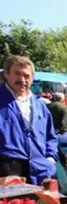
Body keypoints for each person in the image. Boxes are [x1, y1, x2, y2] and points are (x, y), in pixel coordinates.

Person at [0, 55, 59, 185]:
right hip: (8, 170)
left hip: (40, 170)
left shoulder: (40, 105)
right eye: (17, 74)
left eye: (26, 76)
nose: (22, 80)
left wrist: (50, 159)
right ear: (6, 74)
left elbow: (51, 136)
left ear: (32, 78)